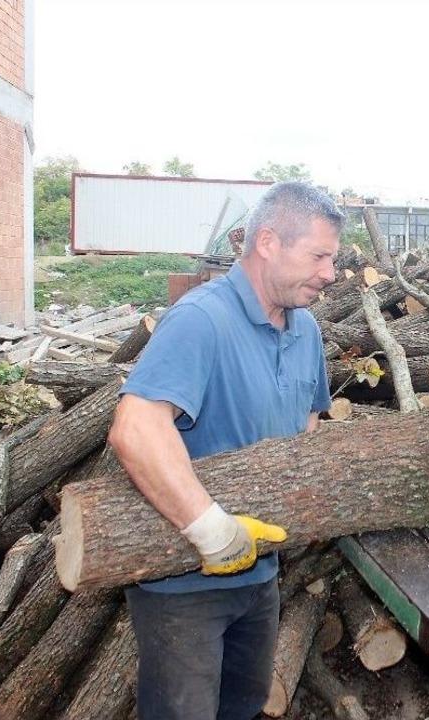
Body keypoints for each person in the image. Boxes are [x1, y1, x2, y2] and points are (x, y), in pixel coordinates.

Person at [107, 182, 341, 719]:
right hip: (183, 585)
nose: (330, 272)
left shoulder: (305, 331)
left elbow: (306, 429)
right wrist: (213, 531)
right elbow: (135, 429)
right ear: (267, 242)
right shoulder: (201, 319)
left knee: (243, 707)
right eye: (319, 256)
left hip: (260, 578)